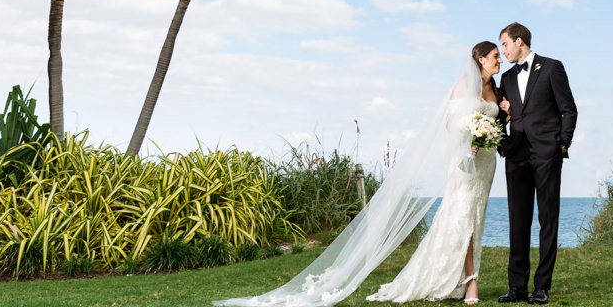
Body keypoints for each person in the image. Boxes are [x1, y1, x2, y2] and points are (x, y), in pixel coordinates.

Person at [213, 42, 505, 307]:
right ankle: (470, 281)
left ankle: (454, 278)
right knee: (462, 218)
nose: (499, 60)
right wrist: (470, 137)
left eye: (500, 56)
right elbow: (450, 123)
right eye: (495, 56)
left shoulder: (496, 90)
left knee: (476, 220)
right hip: (464, 161)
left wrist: (501, 117)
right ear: (479, 58)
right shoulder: (464, 85)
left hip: (486, 163)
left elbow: (501, 121)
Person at [496, 22, 578, 306]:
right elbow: (499, 117)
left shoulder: (552, 67)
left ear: (520, 41)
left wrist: (560, 145)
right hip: (516, 158)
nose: (503, 50)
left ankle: (541, 287)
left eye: (505, 44)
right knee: (517, 221)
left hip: (547, 156)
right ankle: (516, 287)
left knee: (547, 220)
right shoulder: (506, 78)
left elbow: (569, 109)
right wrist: (502, 145)